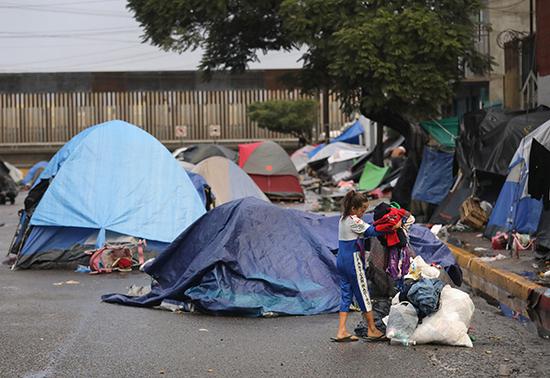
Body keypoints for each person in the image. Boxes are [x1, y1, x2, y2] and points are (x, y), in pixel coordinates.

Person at [332, 191, 399, 342]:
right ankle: (372, 329)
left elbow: (365, 231)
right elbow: (372, 231)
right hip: (353, 261)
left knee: (346, 295)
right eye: (362, 210)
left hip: (341, 260)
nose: (363, 213)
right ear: (354, 208)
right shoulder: (354, 221)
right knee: (363, 294)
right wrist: (392, 226)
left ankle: (341, 330)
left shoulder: (343, 220)